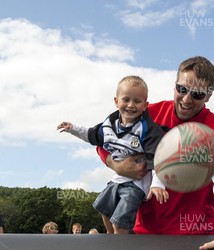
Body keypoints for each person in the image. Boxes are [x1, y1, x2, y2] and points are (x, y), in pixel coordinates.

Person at [97, 56, 214, 250]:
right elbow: (104, 137)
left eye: (197, 94)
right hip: (145, 234)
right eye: (182, 89)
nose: (187, 100)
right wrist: (115, 165)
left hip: (195, 238)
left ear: (208, 95)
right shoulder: (147, 113)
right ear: (175, 85)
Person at [58, 76, 169, 234]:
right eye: (126, 100)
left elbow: (159, 157)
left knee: (119, 222)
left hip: (136, 185)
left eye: (137, 101)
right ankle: (111, 238)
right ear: (116, 101)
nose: (131, 105)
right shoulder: (109, 125)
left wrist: (157, 184)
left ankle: (119, 245)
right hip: (117, 179)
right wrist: (72, 128)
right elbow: (91, 135)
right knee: (103, 208)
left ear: (145, 106)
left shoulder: (147, 129)